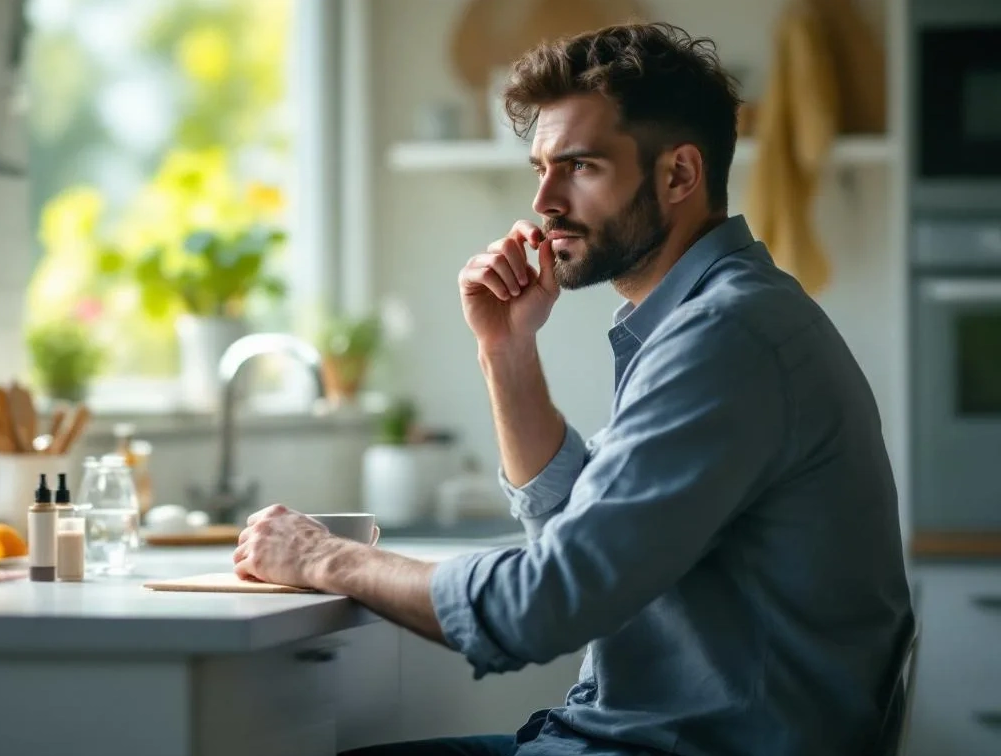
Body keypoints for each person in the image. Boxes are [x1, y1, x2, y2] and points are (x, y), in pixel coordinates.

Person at [232, 22, 914, 756]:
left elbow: (544, 605)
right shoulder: (710, 318)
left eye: (580, 166)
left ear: (679, 175)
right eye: (540, 168)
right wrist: (507, 349)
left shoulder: (726, 337)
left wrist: (323, 557)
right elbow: (579, 539)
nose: (545, 200)